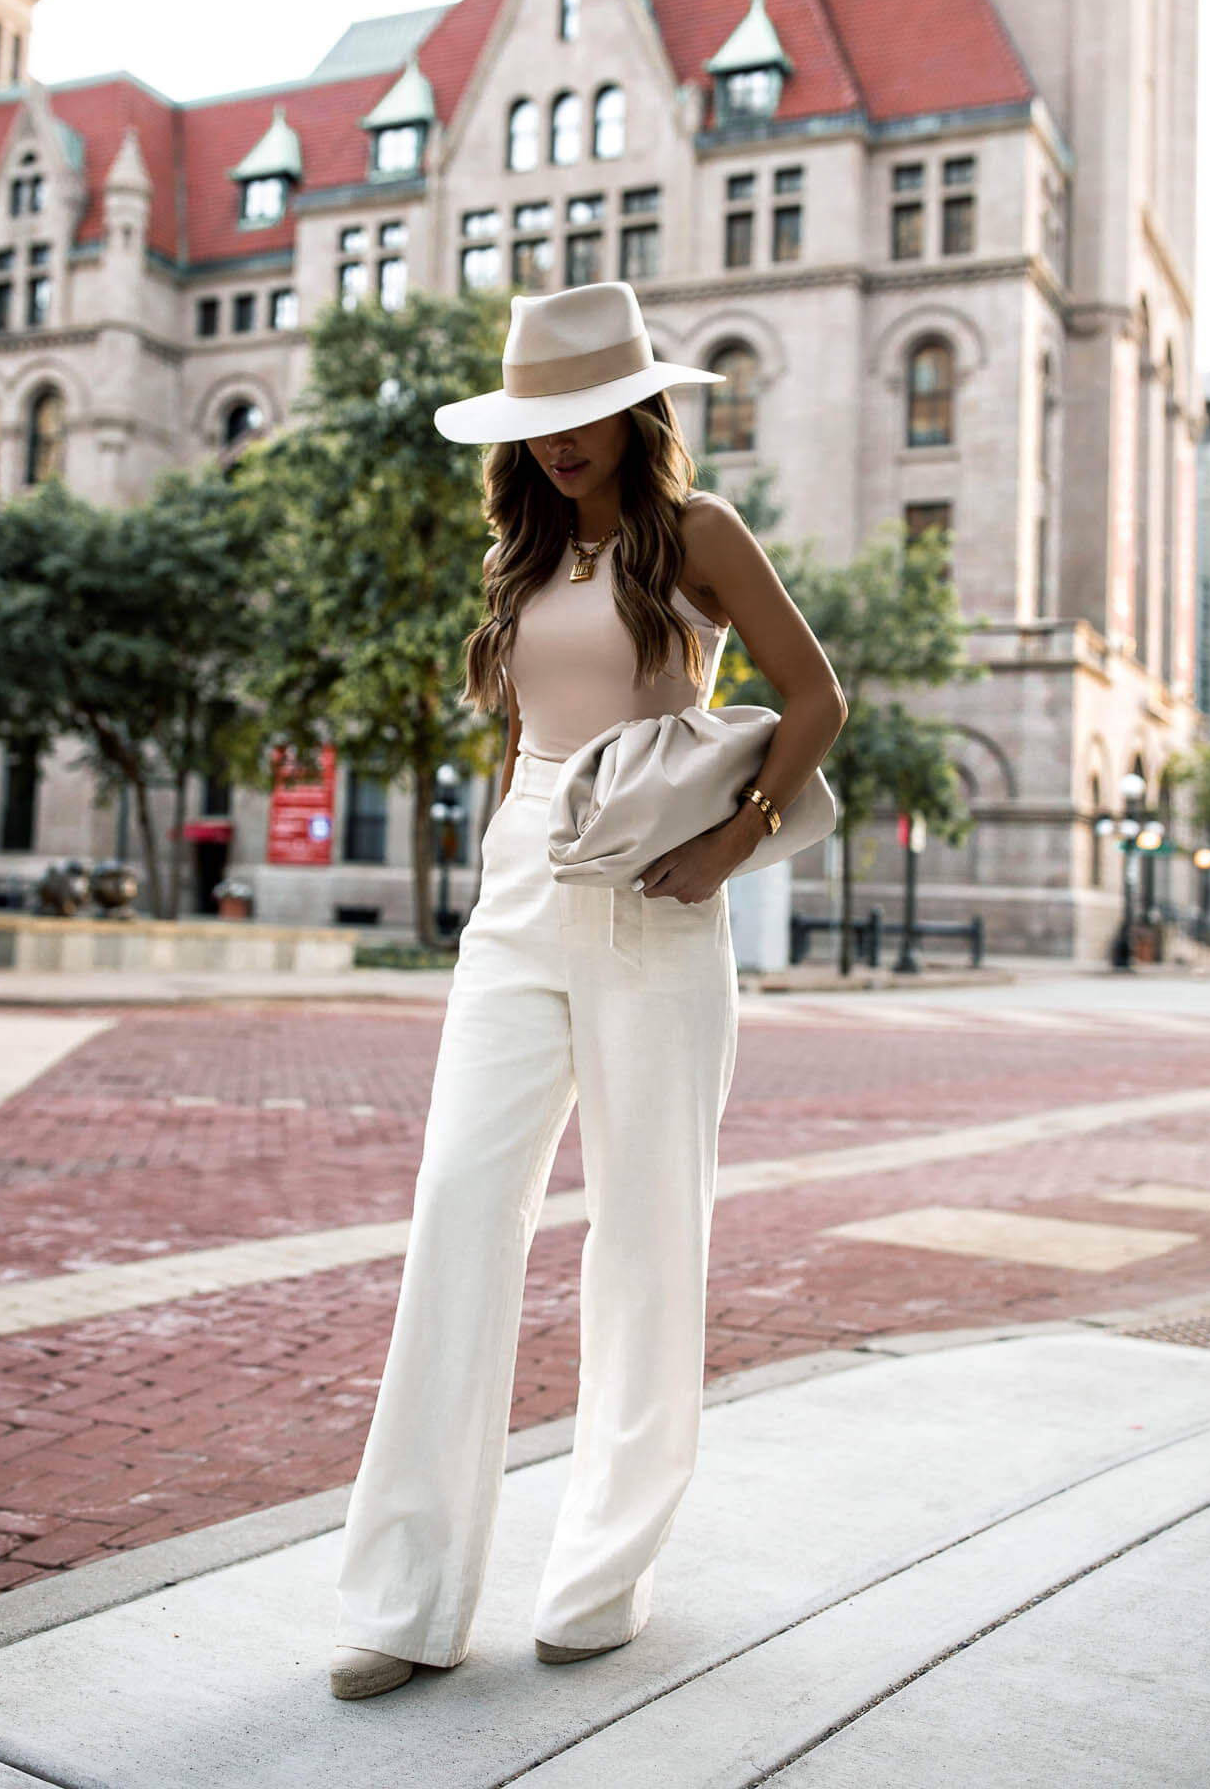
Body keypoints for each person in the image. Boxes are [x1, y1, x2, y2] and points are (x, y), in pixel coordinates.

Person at [330, 281, 847, 1700]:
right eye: (535, 421)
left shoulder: (697, 537)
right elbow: (525, 740)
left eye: (580, 416)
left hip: (650, 899)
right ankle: (407, 1593)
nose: (558, 444)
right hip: (519, 883)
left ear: (631, 409)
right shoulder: (520, 551)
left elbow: (814, 698)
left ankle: (602, 1573)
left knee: (642, 1232)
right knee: (457, 1205)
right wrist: (508, 857)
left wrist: (733, 845)